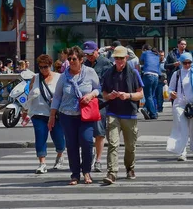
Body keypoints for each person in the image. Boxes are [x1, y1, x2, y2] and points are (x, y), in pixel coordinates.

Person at [49, 46, 100, 185]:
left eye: (74, 59)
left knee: (87, 141)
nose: (71, 61)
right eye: (69, 59)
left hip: (85, 115)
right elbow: (57, 96)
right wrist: (52, 115)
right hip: (67, 115)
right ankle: (75, 174)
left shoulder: (90, 72)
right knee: (71, 145)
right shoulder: (64, 76)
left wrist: (91, 95)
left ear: (81, 60)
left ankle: (87, 171)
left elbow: (98, 88)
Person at [101, 46, 145, 184]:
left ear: (126, 58)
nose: (119, 61)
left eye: (121, 58)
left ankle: (130, 167)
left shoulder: (133, 73)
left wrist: (128, 95)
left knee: (130, 146)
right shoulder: (108, 73)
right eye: (116, 58)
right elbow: (104, 94)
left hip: (129, 113)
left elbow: (141, 94)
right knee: (113, 144)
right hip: (113, 112)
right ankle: (112, 172)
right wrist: (111, 96)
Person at [167, 53, 193, 161]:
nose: (187, 65)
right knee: (183, 129)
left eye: (189, 62)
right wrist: (171, 93)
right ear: (180, 63)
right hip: (180, 104)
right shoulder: (176, 74)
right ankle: (182, 152)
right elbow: (170, 88)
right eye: (184, 63)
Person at [27, 54, 65, 174]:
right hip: (38, 113)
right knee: (40, 137)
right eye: (41, 67)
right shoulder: (35, 78)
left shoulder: (59, 77)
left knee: (58, 137)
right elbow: (30, 95)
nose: (43, 69)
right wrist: (25, 111)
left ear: (51, 66)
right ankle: (42, 163)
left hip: (55, 114)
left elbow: (65, 94)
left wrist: (57, 100)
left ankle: (60, 154)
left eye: (46, 67)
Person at [82, 41, 113, 173]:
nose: (89, 57)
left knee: (100, 132)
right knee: (86, 133)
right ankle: (89, 156)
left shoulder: (106, 64)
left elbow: (108, 83)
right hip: (86, 103)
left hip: (100, 102)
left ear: (97, 51)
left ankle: (99, 160)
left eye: (91, 54)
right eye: (86, 54)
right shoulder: (84, 65)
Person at [140, 44, 161, 120]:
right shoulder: (156, 55)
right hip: (156, 76)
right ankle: (145, 109)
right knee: (151, 95)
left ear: (144, 49)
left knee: (148, 96)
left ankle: (153, 113)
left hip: (148, 75)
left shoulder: (145, 53)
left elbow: (141, 61)